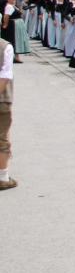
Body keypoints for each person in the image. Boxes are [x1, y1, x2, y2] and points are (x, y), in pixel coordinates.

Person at [0, 36, 15, 191]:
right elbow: (5, 76)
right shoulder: (5, 47)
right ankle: (3, 178)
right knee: (2, 137)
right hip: (1, 99)